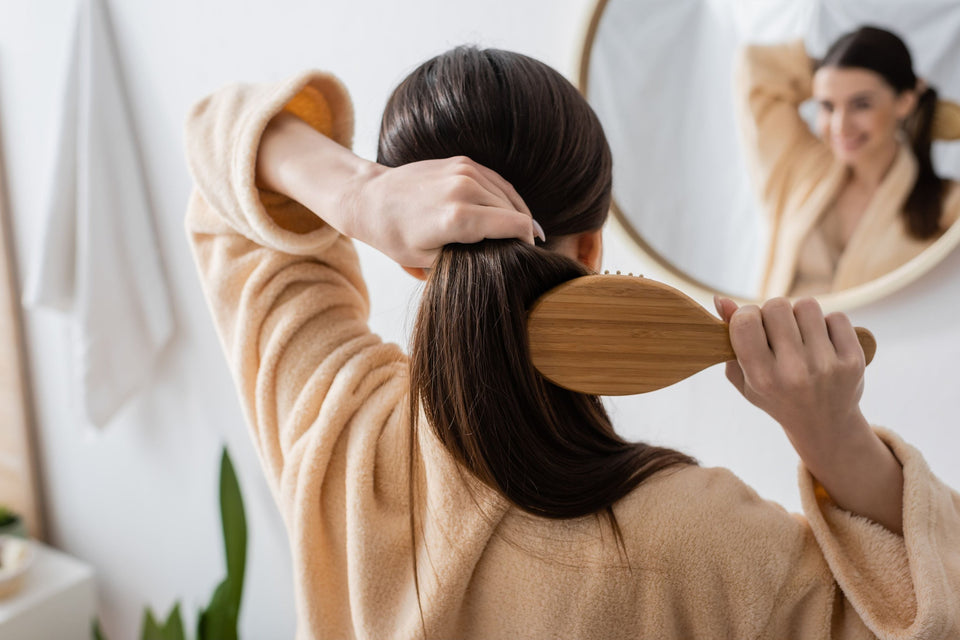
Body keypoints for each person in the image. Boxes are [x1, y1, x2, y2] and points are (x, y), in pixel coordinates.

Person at [185, 46, 960, 638]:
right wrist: (836, 439)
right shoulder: (704, 544)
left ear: (411, 255)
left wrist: (356, 193)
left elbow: (222, 159)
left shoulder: (339, 438)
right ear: (591, 249)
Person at [736, 25, 960, 298]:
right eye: (827, 106)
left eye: (861, 104)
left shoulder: (948, 204)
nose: (841, 126)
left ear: (904, 102)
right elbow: (755, 66)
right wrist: (828, 69)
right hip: (770, 341)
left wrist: (934, 112)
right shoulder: (797, 166)